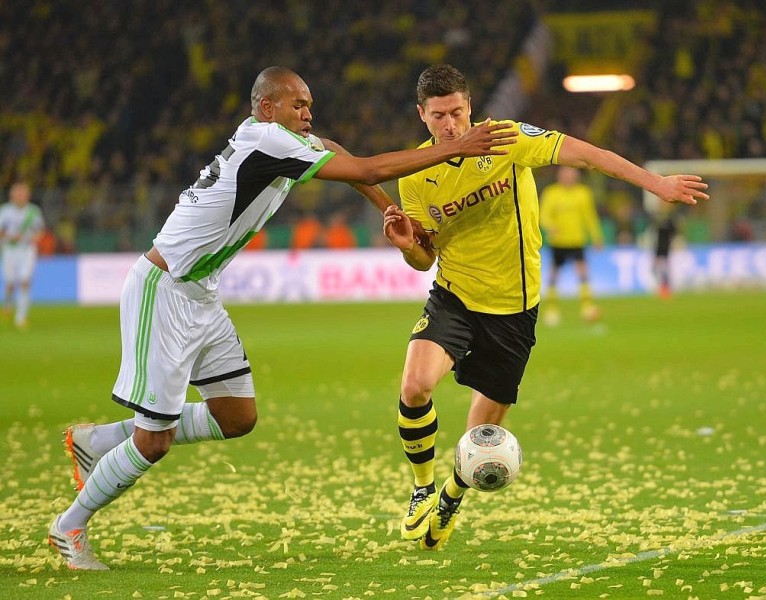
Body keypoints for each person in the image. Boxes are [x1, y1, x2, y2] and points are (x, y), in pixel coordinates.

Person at [47, 65, 517, 570]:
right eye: (299, 105)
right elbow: (365, 168)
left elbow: (337, 152)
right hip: (163, 291)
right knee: (154, 440)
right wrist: (452, 148)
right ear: (268, 107)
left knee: (237, 416)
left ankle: (97, 441)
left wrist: (386, 209)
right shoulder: (269, 141)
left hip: (200, 294)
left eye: (310, 104)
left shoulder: (283, 139)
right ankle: (70, 526)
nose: (309, 113)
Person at [382, 64, 708, 551]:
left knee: (481, 438)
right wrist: (409, 246)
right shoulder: (415, 175)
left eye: (456, 112)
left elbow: (586, 154)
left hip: (514, 308)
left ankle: (450, 497)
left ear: (470, 107)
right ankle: (422, 488)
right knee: (414, 385)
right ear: (422, 116)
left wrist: (654, 184)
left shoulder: (505, 139)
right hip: (455, 294)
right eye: (438, 116)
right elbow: (426, 258)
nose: (450, 125)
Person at [539, 165, 604, 324]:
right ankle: (552, 309)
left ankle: (586, 306)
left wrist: (596, 236)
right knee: (554, 274)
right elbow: (543, 214)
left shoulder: (583, 193)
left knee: (582, 272)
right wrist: (550, 226)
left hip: (577, 240)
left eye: (571, 174)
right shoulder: (551, 192)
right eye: (565, 174)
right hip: (558, 241)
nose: (568, 177)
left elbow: (590, 216)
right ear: (559, 176)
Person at [0, 181, 44, 329]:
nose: (20, 196)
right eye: (17, 193)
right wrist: (11, 236)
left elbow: (40, 231)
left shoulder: (33, 211)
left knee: (25, 281)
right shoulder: (5, 211)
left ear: (28, 195)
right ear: (11, 195)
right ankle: (7, 303)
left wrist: (33, 238)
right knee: (10, 284)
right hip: (9, 250)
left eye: (23, 193)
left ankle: (21, 317)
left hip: (27, 250)